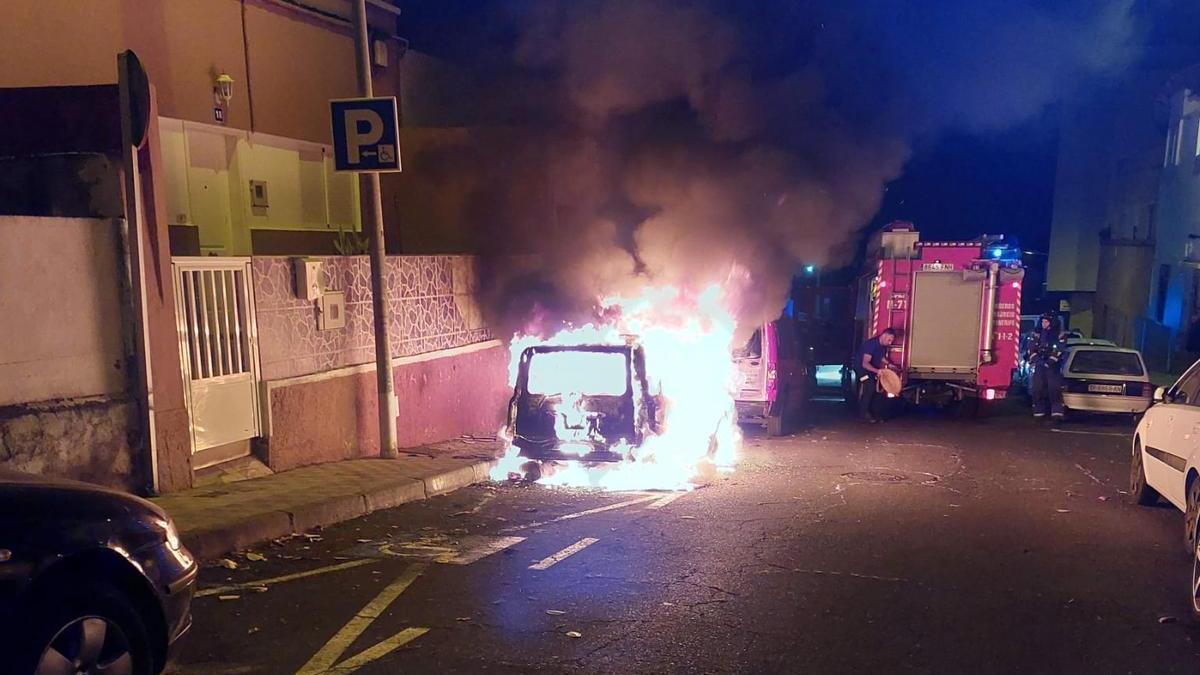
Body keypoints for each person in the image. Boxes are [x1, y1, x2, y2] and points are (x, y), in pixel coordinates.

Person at [1027, 312, 1065, 419]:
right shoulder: (1036, 334)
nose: (1044, 324)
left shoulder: (1059, 334)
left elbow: (1060, 349)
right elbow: (1031, 348)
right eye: (1042, 321)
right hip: (1040, 364)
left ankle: (1057, 411)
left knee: (1054, 388)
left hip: (1053, 366)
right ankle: (1038, 410)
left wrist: (1050, 361)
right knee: (1037, 388)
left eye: (1046, 321)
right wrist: (1037, 360)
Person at [856, 328, 897, 423]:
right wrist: (877, 371)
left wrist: (889, 364)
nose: (890, 343)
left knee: (878, 389)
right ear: (884, 336)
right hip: (862, 370)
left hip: (871, 370)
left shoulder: (882, 346)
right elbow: (865, 364)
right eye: (889, 340)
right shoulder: (871, 344)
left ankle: (875, 413)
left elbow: (880, 357)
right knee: (870, 387)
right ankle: (863, 414)